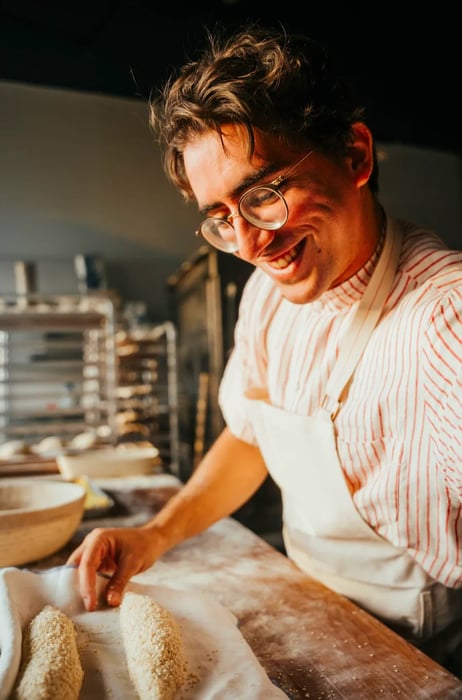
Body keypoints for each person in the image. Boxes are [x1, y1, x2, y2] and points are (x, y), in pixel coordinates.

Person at [68, 24, 462, 675]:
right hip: (312, 613)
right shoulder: (268, 295)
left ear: (354, 156)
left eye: (265, 193)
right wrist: (154, 535)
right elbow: (251, 435)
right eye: (221, 215)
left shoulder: (444, 321)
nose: (249, 244)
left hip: (418, 659)